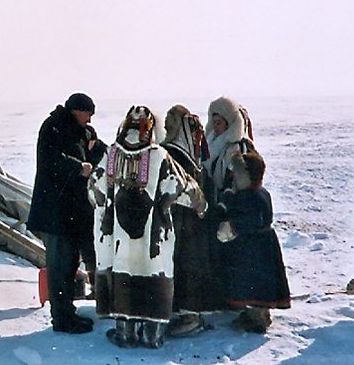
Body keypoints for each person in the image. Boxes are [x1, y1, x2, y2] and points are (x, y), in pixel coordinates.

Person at [91, 106, 207, 348]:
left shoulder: (111, 155)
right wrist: (201, 205)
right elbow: (182, 186)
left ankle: (126, 334)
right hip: (153, 238)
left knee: (123, 277)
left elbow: (94, 189)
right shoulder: (160, 156)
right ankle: (152, 336)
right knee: (153, 278)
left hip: (119, 239)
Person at [26, 92, 106, 334]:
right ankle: (61, 318)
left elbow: (92, 158)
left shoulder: (81, 132)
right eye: (88, 113)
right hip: (55, 212)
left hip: (72, 213)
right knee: (59, 267)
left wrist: (97, 148)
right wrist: (76, 167)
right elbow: (50, 161)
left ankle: (67, 313)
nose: (90, 119)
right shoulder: (53, 127)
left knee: (70, 265)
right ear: (76, 110)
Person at [215, 151, 291, 333]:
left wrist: (231, 226)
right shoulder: (257, 193)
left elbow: (249, 220)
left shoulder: (251, 197)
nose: (233, 175)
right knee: (255, 281)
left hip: (255, 248)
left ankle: (258, 318)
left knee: (256, 282)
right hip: (259, 246)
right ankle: (254, 313)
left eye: (238, 172)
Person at [160, 104, 219, 336]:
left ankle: (188, 314)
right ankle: (185, 313)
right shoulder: (176, 154)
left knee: (187, 266)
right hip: (182, 223)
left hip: (186, 225)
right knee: (185, 266)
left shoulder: (176, 154)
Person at [204, 96, 256, 202]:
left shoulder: (238, 148)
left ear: (229, 124)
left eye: (219, 123)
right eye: (213, 122)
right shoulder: (209, 142)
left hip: (229, 204)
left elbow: (237, 182)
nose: (215, 126)